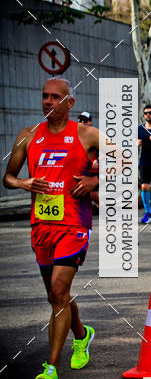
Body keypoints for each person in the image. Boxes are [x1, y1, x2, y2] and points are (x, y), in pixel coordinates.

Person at [3, 78, 98, 379]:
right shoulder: (28, 135)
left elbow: (124, 160)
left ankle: (52, 367)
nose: (48, 101)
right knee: (56, 295)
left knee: (58, 290)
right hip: (42, 225)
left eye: (55, 97)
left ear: (70, 103)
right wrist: (24, 183)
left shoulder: (87, 134)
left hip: (74, 223)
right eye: (45, 95)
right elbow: (8, 177)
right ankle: (82, 334)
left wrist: (95, 180)